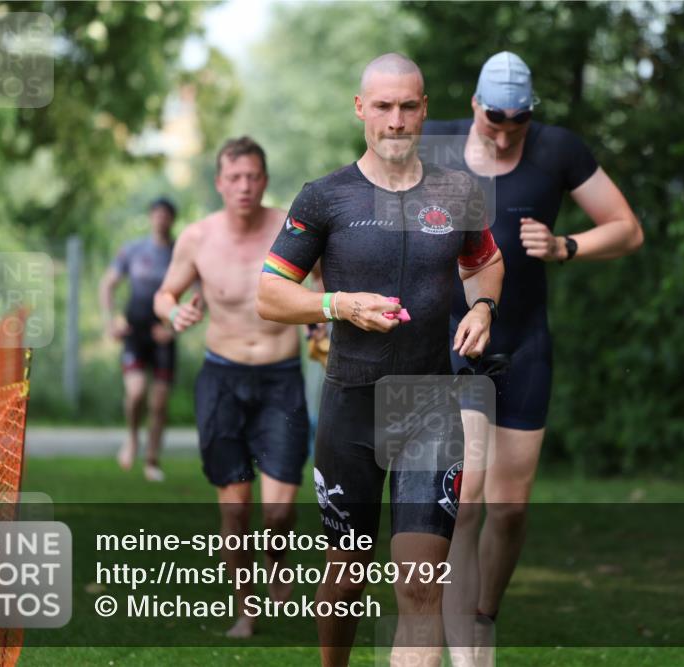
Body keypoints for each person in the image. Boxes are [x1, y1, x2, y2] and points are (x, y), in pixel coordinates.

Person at [257, 53, 504, 667]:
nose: (397, 120)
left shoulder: (457, 193)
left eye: (409, 106)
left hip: (429, 407)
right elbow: (269, 293)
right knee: (346, 578)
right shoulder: (325, 197)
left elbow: (485, 264)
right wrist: (337, 304)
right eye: (384, 106)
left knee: (420, 582)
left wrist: (482, 311)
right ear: (361, 109)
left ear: (424, 109)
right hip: (351, 406)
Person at [422, 51, 644, 661]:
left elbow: (627, 227)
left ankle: (485, 614)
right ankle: (465, 652)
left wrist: (567, 244)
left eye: (517, 120)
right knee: (465, 499)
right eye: (494, 117)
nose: (503, 130)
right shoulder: (433, 143)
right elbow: (365, 201)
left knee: (510, 508)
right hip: (456, 339)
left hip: (525, 344)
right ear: (474, 105)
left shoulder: (556, 150)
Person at [153, 137, 312, 638]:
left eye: (253, 176)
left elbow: (327, 284)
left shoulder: (290, 228)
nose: (244, 186)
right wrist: (174, 311)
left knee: (279, 510)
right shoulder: (198, 238)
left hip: (281, 378)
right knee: (236, 508)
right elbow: (165, 293)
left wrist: (322, 321)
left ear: (264, 179)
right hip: (221, 377)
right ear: (220, 183)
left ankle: (279, 559)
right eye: (234, 178)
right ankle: (247, 610)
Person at [99, 197, 178, 483]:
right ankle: (131, 437)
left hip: (163, 336)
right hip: (135, 333)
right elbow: (107, 284)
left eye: (166, 215)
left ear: (172, 219)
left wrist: (174, 327)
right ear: (150, 217)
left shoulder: (180, 251)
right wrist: (110, 321)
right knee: (135, 394)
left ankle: (152, 460)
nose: (160, 219)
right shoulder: (133, 250)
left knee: (158, 404)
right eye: (156, 214)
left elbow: (200, 293)